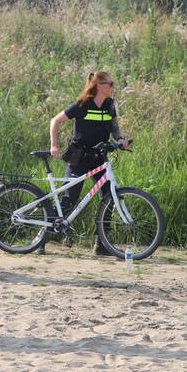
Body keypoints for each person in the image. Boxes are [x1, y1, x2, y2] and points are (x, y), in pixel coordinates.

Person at [48, 71, 129, 256]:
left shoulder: (109, 104)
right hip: (79, 159)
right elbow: (55, 121)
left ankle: (101, 245)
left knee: (109, 197)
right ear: (99, 85)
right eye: (111, 84)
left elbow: (114, 126)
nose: (113, 87)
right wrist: (54, 145)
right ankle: (43, 238)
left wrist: (121, 138)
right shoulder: (82, 104)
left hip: (99, 157)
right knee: (68, 201)